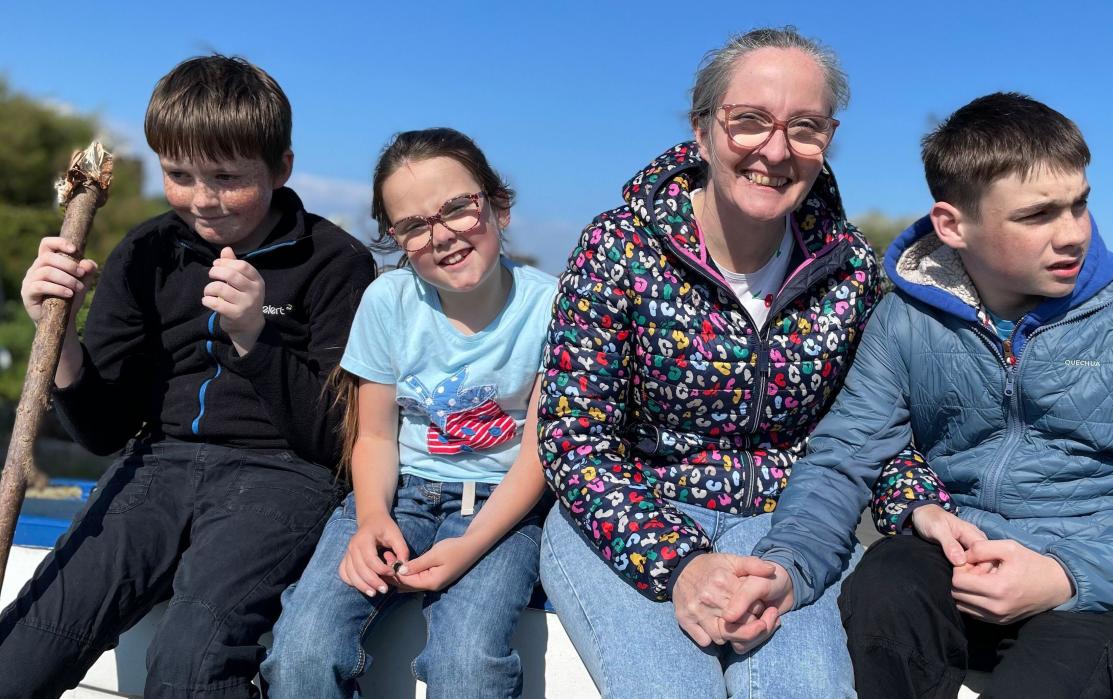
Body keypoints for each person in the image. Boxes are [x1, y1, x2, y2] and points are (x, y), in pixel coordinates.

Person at [736, 92, 1113, 698]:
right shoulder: (904, 321)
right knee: (885, 581)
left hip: (1097, 592)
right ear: (953, 226)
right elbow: (842, 458)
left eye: (1079, 205)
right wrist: (788, 565)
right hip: (959, 562)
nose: (1072, 234)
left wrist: (1061, 576)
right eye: (1037, 216)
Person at [537, 27, 950, 697]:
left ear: (828, 140)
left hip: (791, 530)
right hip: (629, 516)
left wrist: (922, 508)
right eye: (749, 121)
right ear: (702, 130)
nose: (775, 150)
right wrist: (681, 564)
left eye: (805, 128)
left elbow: (872, 430)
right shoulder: (617, 248)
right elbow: (573, 433)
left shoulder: (850, 272)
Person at [0, 55, 375, 697]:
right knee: (22, 651)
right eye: (179, 174)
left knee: (191, 665)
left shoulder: (336, 263)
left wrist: (257, 340)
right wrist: (57, 342)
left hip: (284, 474)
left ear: (281, 167)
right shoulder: (145, 253)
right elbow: (103, 431)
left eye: (228, 178)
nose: (203, 200)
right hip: (157, 464)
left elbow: (340, 439)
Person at [260, 128, 556, 699]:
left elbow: (539, 454)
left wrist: (468, 547)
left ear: (499, 207)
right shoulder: (387, 301)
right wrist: (371, 519)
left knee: (467, 665)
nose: (442, 235)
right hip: (398, 496)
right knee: (304, 648)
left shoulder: (553, 307)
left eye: (458, 209)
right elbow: (374, 436)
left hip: (502, 509)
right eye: (415, 226)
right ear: (396, 239)